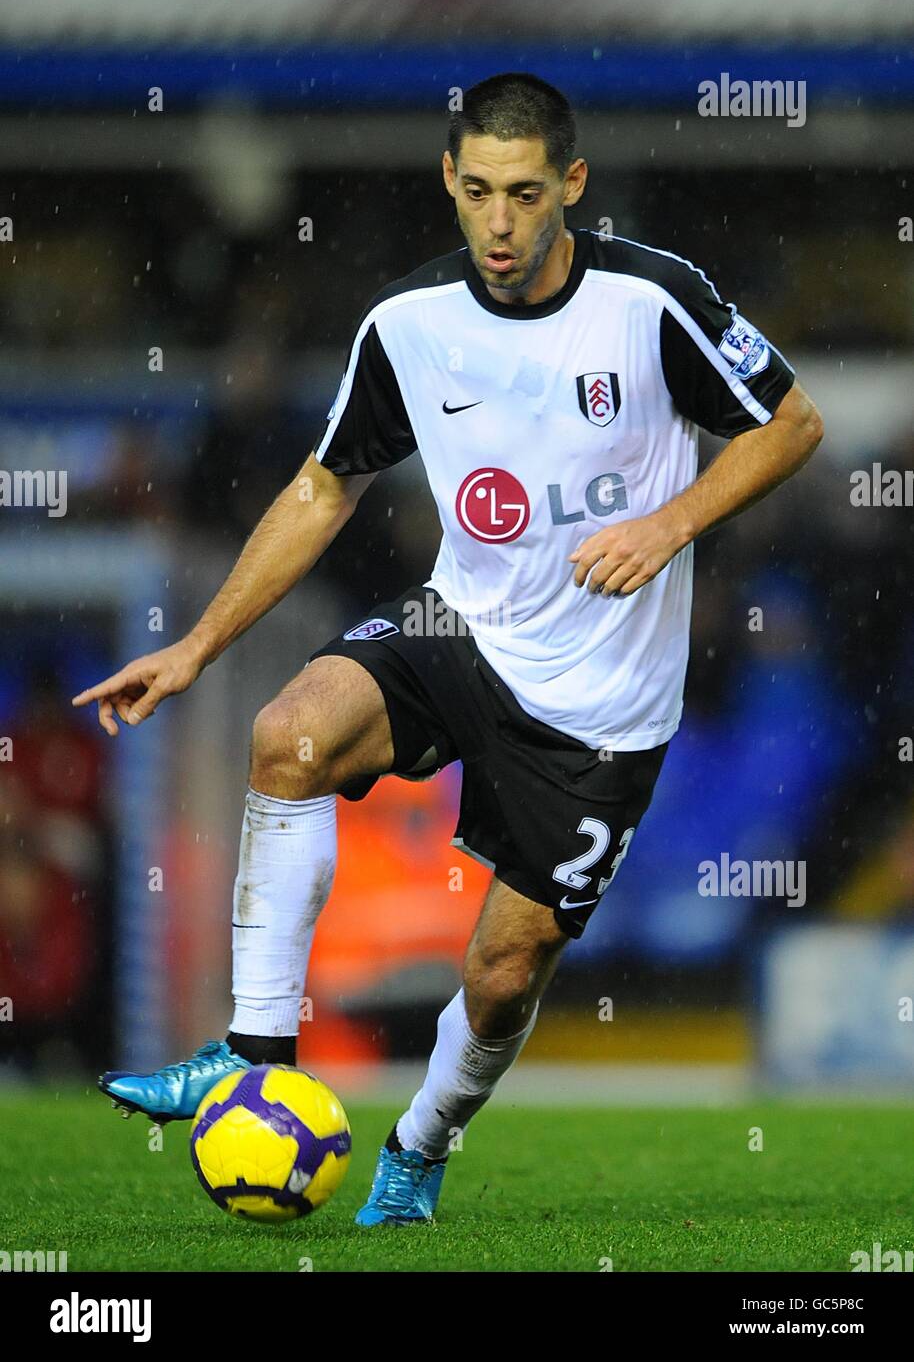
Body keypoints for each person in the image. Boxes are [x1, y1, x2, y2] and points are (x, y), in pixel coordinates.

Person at [72, 73, 823, 1226]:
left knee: (501, 971)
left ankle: (419, 1144)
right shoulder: (409, 324)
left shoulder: (649, 300)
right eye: (477, 193)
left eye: (525, 195)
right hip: (459, 629)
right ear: (449, 185)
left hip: (600, 708)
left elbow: (793, 422)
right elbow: (324, 488)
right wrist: (198, 649)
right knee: (289, 734)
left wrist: (668, 524)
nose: (500, 224)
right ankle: (248, 1054)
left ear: (570, 185)